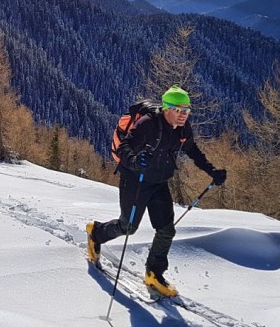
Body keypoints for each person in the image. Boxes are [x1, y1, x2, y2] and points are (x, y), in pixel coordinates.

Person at [86, 85, 227, 297]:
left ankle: (154, 273)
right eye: (179, 110)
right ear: (167, 108)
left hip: (159, 182)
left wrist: (212, 171)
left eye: (187, 110)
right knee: (128, 226)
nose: (184, 115)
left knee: (166, 229)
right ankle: (96, 232)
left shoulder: (183, 129)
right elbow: (125, 147)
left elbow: (193, 151)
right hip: (135, 180)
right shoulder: (148, 124)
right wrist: (135, 162)